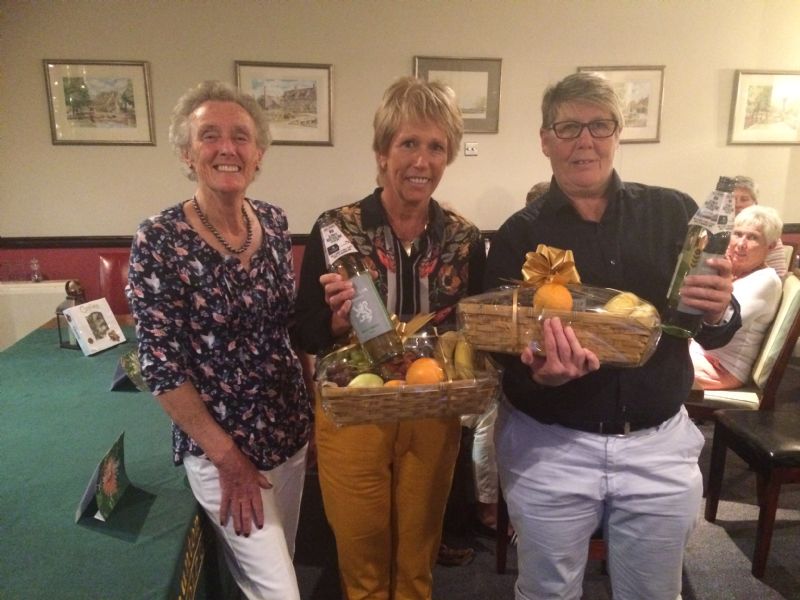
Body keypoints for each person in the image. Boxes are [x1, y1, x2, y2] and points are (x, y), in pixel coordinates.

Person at [484, 72, 741, 600]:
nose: (585, 140)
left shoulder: (673, 212)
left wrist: (719, 313)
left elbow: (711, 323)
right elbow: (499, 354)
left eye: (600, 125)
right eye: (569, 126)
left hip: (657, 447)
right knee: (546, 594)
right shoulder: (517, 234)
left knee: (653, 594)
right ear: (545, 140)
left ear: (618, 132)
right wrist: (541, 376)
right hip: (550, 448)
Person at [294, 76, 485, 599]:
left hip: (432, 411)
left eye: (436, 147)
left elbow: (475, 333)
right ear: (382, 152)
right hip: (354, 414)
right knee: (362, 560)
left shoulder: (465, 239)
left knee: (418, 559)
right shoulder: (337, 228)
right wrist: (335, 321)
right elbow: (304, 328)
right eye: (408, 144)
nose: (421, 161)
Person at [127, 81, 312, 600]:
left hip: (289, 433)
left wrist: (313, 409)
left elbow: (289, 327)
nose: (227, 148)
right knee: (279, 592)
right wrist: (228, 459)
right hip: (221, 449)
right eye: (210, 136)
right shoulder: (159, 239)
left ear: (258, 154)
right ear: (187, 153)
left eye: (241, 137)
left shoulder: (273, 223)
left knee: (280, 570)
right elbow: (161, 367)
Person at [691, 205, 783, 389]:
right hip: (700, 353)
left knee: (652, 364)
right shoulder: (734, 273)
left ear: (770, 246)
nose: (741, 243)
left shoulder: (766, 281)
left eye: (753, 237)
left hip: (720, 369)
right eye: (738, 234)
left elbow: (720, 327)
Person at [732, 175, 788, 277]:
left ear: (755, 203)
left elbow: (778, 275)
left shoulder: (767, 231)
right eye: (732, 199)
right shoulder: (719, 229)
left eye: (744, 199)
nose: (737, 204)